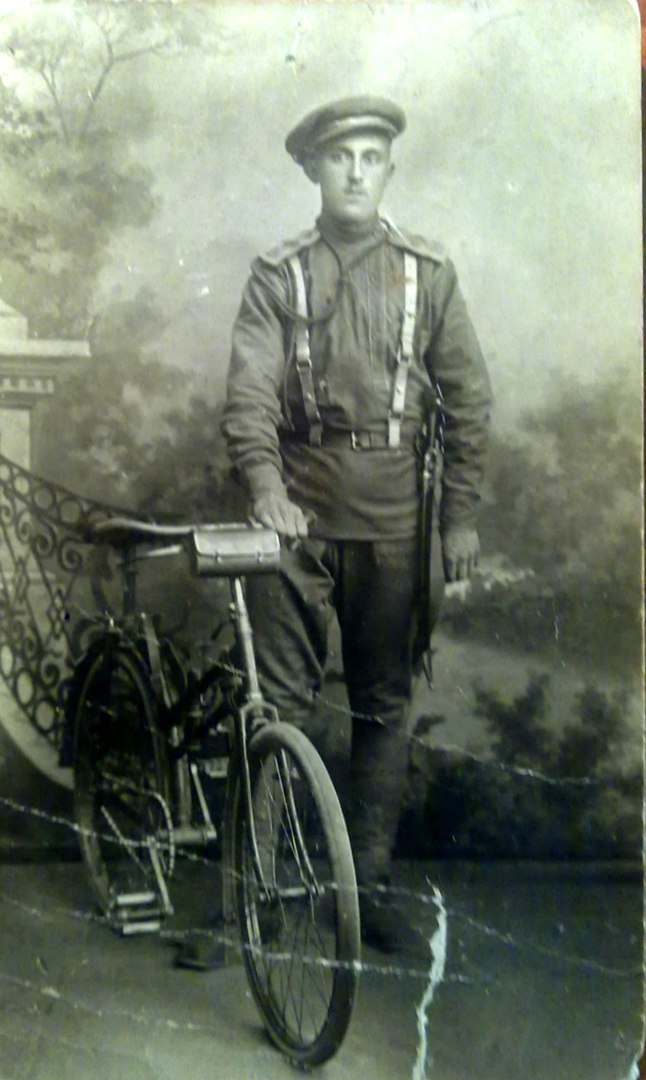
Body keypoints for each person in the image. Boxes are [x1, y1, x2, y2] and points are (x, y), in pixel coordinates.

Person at [221, 95, 492, 954]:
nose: (356, 172)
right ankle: (247, 905)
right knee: (274, 708)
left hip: (396, 524)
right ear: (313, 169)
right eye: (340, 157)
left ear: (389, 168)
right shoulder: (278, 273)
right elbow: (249, 395)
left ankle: (366, 888)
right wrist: (265, 486)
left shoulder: (428, 271)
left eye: (372, 156)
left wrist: (459, 521)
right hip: (296, 522)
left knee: (384, 708)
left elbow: (471, 402)